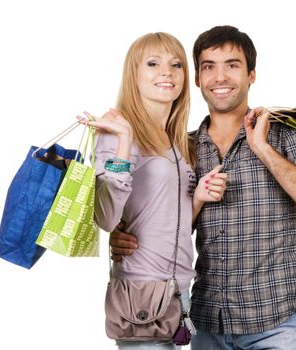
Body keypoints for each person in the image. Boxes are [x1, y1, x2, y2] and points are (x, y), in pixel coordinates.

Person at [110, 26, 296, 350]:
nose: (220, 77)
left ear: (251, 75)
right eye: (208, 67)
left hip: (276, 322)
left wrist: (263, 149)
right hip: (208, 323)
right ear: (198, 79)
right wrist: (123, 237)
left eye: (232, 65)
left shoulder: (285, 136)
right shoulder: (183, 148)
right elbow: (171, 227)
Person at [78, 32, 227, 350]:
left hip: (180, 288)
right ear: (134, 73)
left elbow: (171, 224)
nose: (167, 72)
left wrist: (197, 199)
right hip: (141, 289)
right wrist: (123, 142)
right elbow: (105, 218)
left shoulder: (178, 143)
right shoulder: (118, 131)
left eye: (176, 64)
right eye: (153, 63)